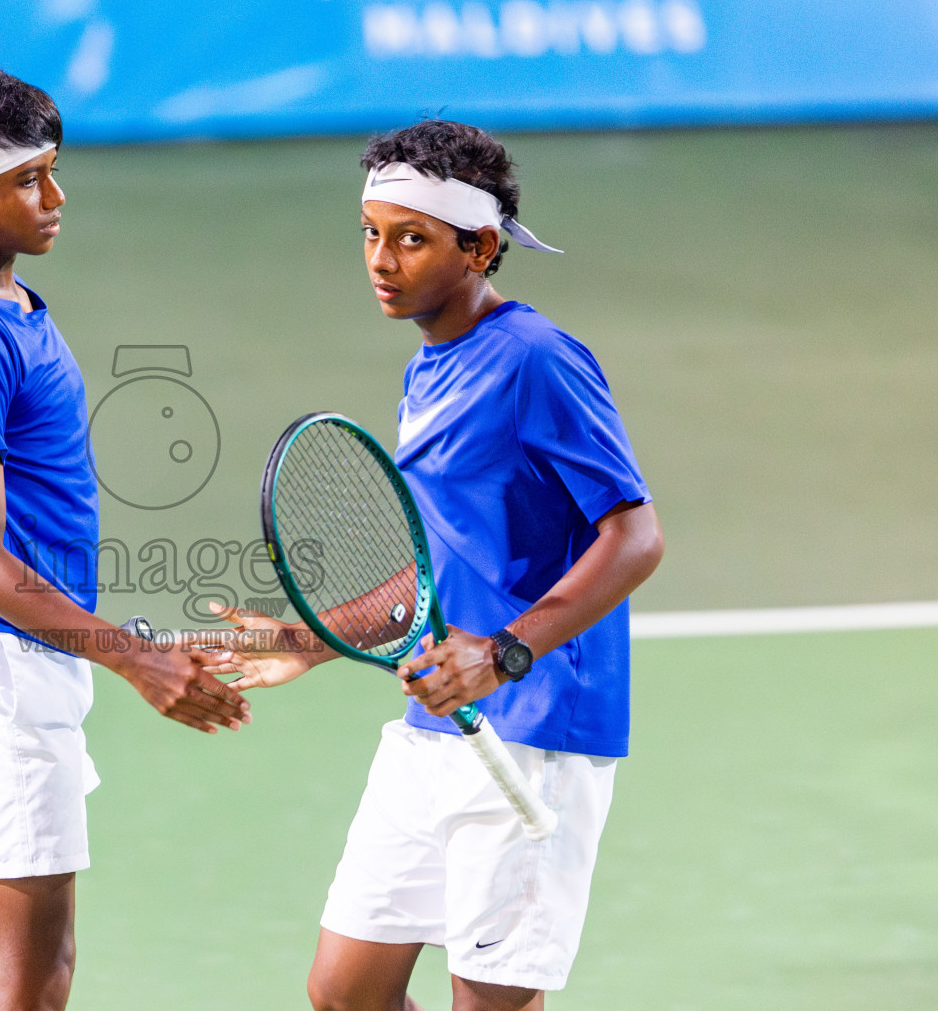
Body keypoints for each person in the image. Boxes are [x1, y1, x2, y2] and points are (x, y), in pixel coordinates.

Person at [213, 118, 664, 1011]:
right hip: (438, 724)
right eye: (372, 235)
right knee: (345, 992)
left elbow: (636, 536)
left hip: (532, 731)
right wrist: (315, 637)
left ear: (481, 248)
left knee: (489, 1000)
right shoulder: (433, 367)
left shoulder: (536, 360)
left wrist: (500, 654)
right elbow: (442, 566)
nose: (382, 260)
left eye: (411, 239)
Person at [0, 51, 249, 1011]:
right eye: (27, 182)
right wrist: (139, 661)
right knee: (36, 977)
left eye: (53, 169)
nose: (54, 197)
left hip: (14, 653)